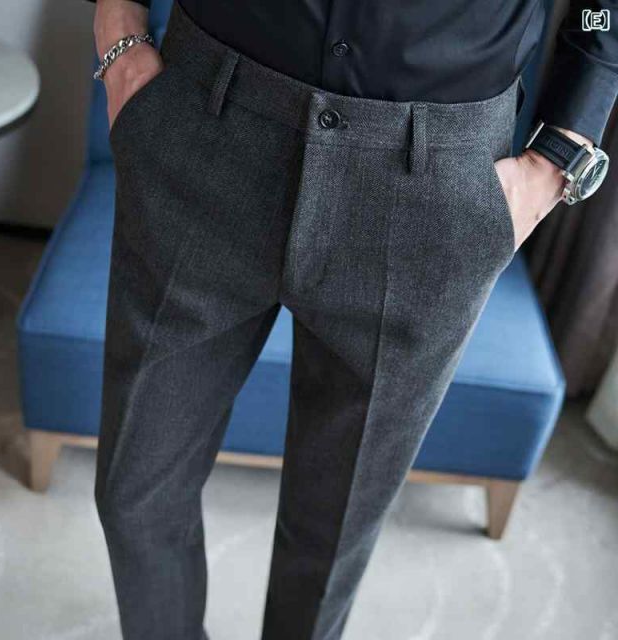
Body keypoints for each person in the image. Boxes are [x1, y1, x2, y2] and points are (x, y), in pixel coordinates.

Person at [87, 0, 616, 638]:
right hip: (208, 124)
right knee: (134, 492)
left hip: (433, 185)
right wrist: (118, 29)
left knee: (333, 536)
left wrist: (558, 158)